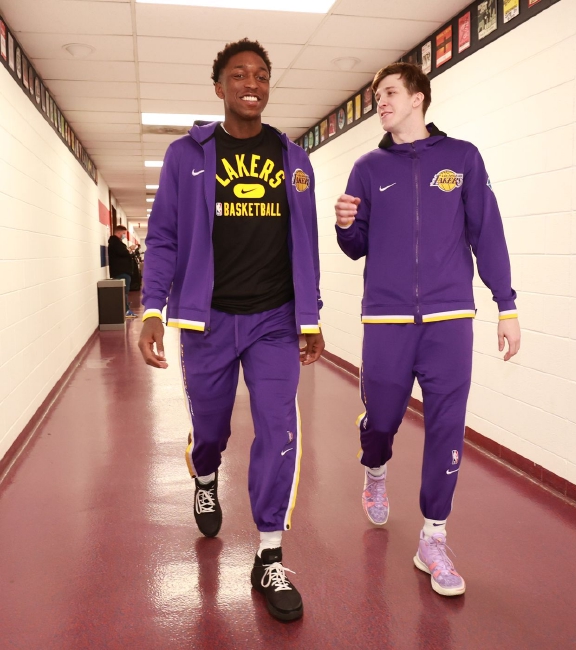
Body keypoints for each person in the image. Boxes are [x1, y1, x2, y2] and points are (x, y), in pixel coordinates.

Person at [138, 38, 324, 622]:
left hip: (274, 321)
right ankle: (206, 471)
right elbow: (163, 238)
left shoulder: (294, 159)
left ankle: (269, 554)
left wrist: (311, 315)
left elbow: (307, 243)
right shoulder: (185, 155)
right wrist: (152, 309)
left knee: (278, 429)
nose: (252, 83)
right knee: (212, 427)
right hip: (208, 320)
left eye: (262, 75)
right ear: (218, 86)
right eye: (240, 74)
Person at [334, 62, 521, 597]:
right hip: (387, 319)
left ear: (418, 98)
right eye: (377, 95)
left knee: (446, 427)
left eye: (390, 92)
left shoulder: (462, 158)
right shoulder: (367, 168)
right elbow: (355, 246)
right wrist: (345, 225)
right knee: (382, 419)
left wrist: (506, 305)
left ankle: (433, 538)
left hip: (449, 320)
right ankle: (375, 468)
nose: (380, 102)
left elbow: (487, 232)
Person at [107, 224, 136, 318]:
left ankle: (126, 309)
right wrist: (130, 249)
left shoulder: (116, 243)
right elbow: (123, 253)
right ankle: (125, 310)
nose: (124, 235)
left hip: (122, 271)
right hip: (121, 271)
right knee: (124, 291)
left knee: (125, 291)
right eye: (124, 233)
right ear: (119, 233)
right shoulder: (115, 243)